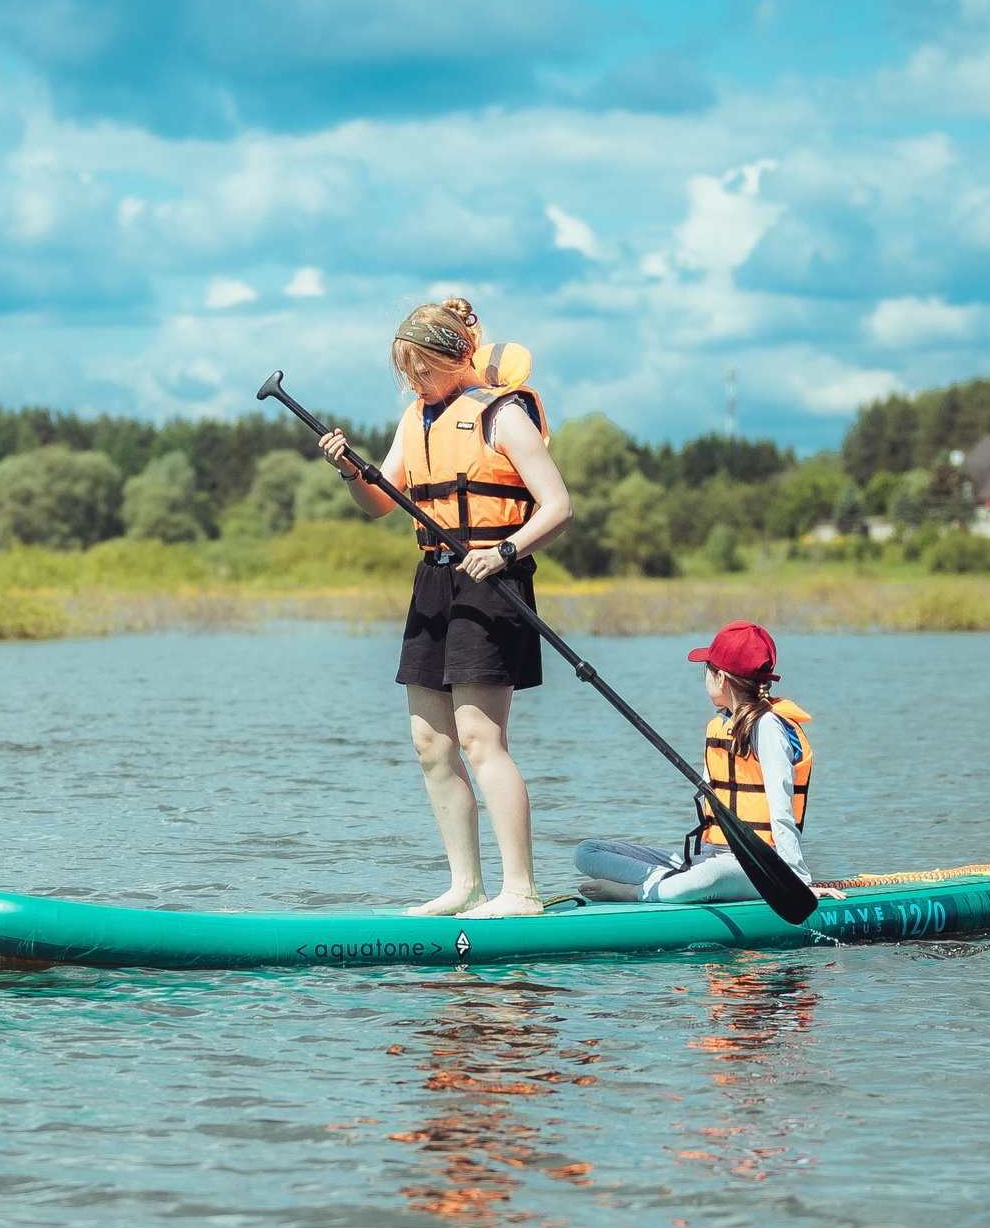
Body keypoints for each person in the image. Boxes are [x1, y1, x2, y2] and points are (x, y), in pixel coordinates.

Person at [316, 299, 572, 919]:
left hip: (494, 583)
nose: (414, 381)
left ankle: (520, 892)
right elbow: (380, 503)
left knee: (483, 740)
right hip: (433, 583)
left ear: (457, 358)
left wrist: (505, 551)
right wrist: (353, 472)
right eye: (407, 371)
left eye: (423, 369)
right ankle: (466, 886)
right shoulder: (416, 418)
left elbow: (558, 507)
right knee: (431, 742)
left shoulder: (501, 416)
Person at [572, 621, 844, 906]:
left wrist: (796, 881)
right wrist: (695, 861)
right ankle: (671, 883)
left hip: (756, 866)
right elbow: (706, 806)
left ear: (722, 678)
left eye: (707, 670)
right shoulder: (719, 723)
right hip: (707, 858)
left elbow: (781, 810)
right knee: (587, 853)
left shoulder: (768, 727)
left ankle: (637, 892)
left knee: (709, 877)